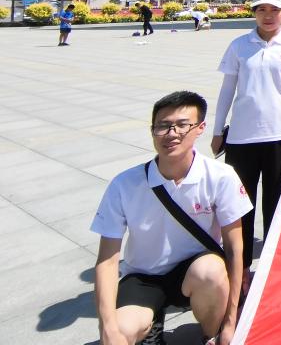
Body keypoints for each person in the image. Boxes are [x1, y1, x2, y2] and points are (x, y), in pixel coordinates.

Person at [91, 91, 251, 345]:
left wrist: (230, 323)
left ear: (200, 128)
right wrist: (107, 327)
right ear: (152, 131)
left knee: (211, 271)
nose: (171, 133)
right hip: (144, 277)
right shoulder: (124, 184)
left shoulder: (221, 176)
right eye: (163, 126)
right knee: (120, 332)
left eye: (182, 125)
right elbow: (107, 262)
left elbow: (234, 249)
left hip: (195, 272)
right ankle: (151, 324)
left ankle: (212, 334)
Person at [211, 0, 281, 276]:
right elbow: (227, 90)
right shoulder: (239, 45)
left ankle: (271, 266)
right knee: (240, 205)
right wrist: (217, 130)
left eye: (275, 10)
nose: (268, 16)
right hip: (242, 137)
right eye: (261, 10)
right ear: (254, 12)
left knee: (276, 202)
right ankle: (240, 267)